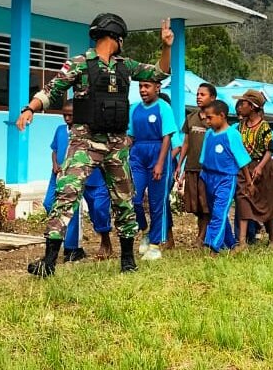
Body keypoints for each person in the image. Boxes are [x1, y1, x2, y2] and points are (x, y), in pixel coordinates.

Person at [18, 14, 173, 277]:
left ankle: (127, 260)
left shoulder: (125, 66)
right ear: (116, 37)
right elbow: (53, 89)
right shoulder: (79, 63)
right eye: (122, 39)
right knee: (66, 195)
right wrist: (29, 109)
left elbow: (159, 72)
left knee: (124, 200)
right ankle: (49, 261)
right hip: (84, 142)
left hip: (116, 144)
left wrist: (166, 46)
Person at [45, 100, 113, 262]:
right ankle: (67, 244)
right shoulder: (60, 130)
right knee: (50, 204)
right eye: (64, 115)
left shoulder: (90, 131)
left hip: (90, 177)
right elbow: (55, 150)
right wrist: (55, 164)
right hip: (61, 175)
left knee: (98, 210)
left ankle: (95, 242)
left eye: (70, 115)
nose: (67, 118)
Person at [129, 80, 177, 261]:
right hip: (138, 155)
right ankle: (145, 230)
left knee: (157, 203)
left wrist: (160, 163)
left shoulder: (164, 107)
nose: (143, 90)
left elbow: (167, 137)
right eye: (140, 86)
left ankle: (155, 245)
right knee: (134, 198)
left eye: (147, 86)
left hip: (158, 153)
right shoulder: (134, 109)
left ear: (157, 87)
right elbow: (130, 136)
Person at [199, 100, 250, 254]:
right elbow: (204, 158)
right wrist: (202, 179)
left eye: (210, 117)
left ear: (222, 115)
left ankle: (212, 246)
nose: (207, 121)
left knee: (219, 212)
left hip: (226, 179)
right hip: (209, 177)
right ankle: (230, 244)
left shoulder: (232, 134)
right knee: (216, 212)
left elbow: (242, 160)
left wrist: (249, 182)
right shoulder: (208, 134)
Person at [233, 90, 273, 249]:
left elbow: (270, 149)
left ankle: (272, 238)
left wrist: (260, 166)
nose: (240, 107)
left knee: (266, 202)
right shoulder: (240, 126)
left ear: (252, 107)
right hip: (244, 167)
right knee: (243, 200)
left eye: (243, 103)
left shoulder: (264, 126)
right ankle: (242, 242)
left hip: (263, 166)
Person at [179, 83, 216, 248]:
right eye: (197, 94)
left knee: (206, 204)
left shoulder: (215, 119)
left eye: (203, 94)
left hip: (208, 169)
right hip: (191, 167)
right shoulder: (190, 118)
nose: (198, 97)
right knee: (195, 206)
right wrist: (180, 165)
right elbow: (186, 143)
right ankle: (202, 233)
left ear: (212, 98)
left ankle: (202, 237)